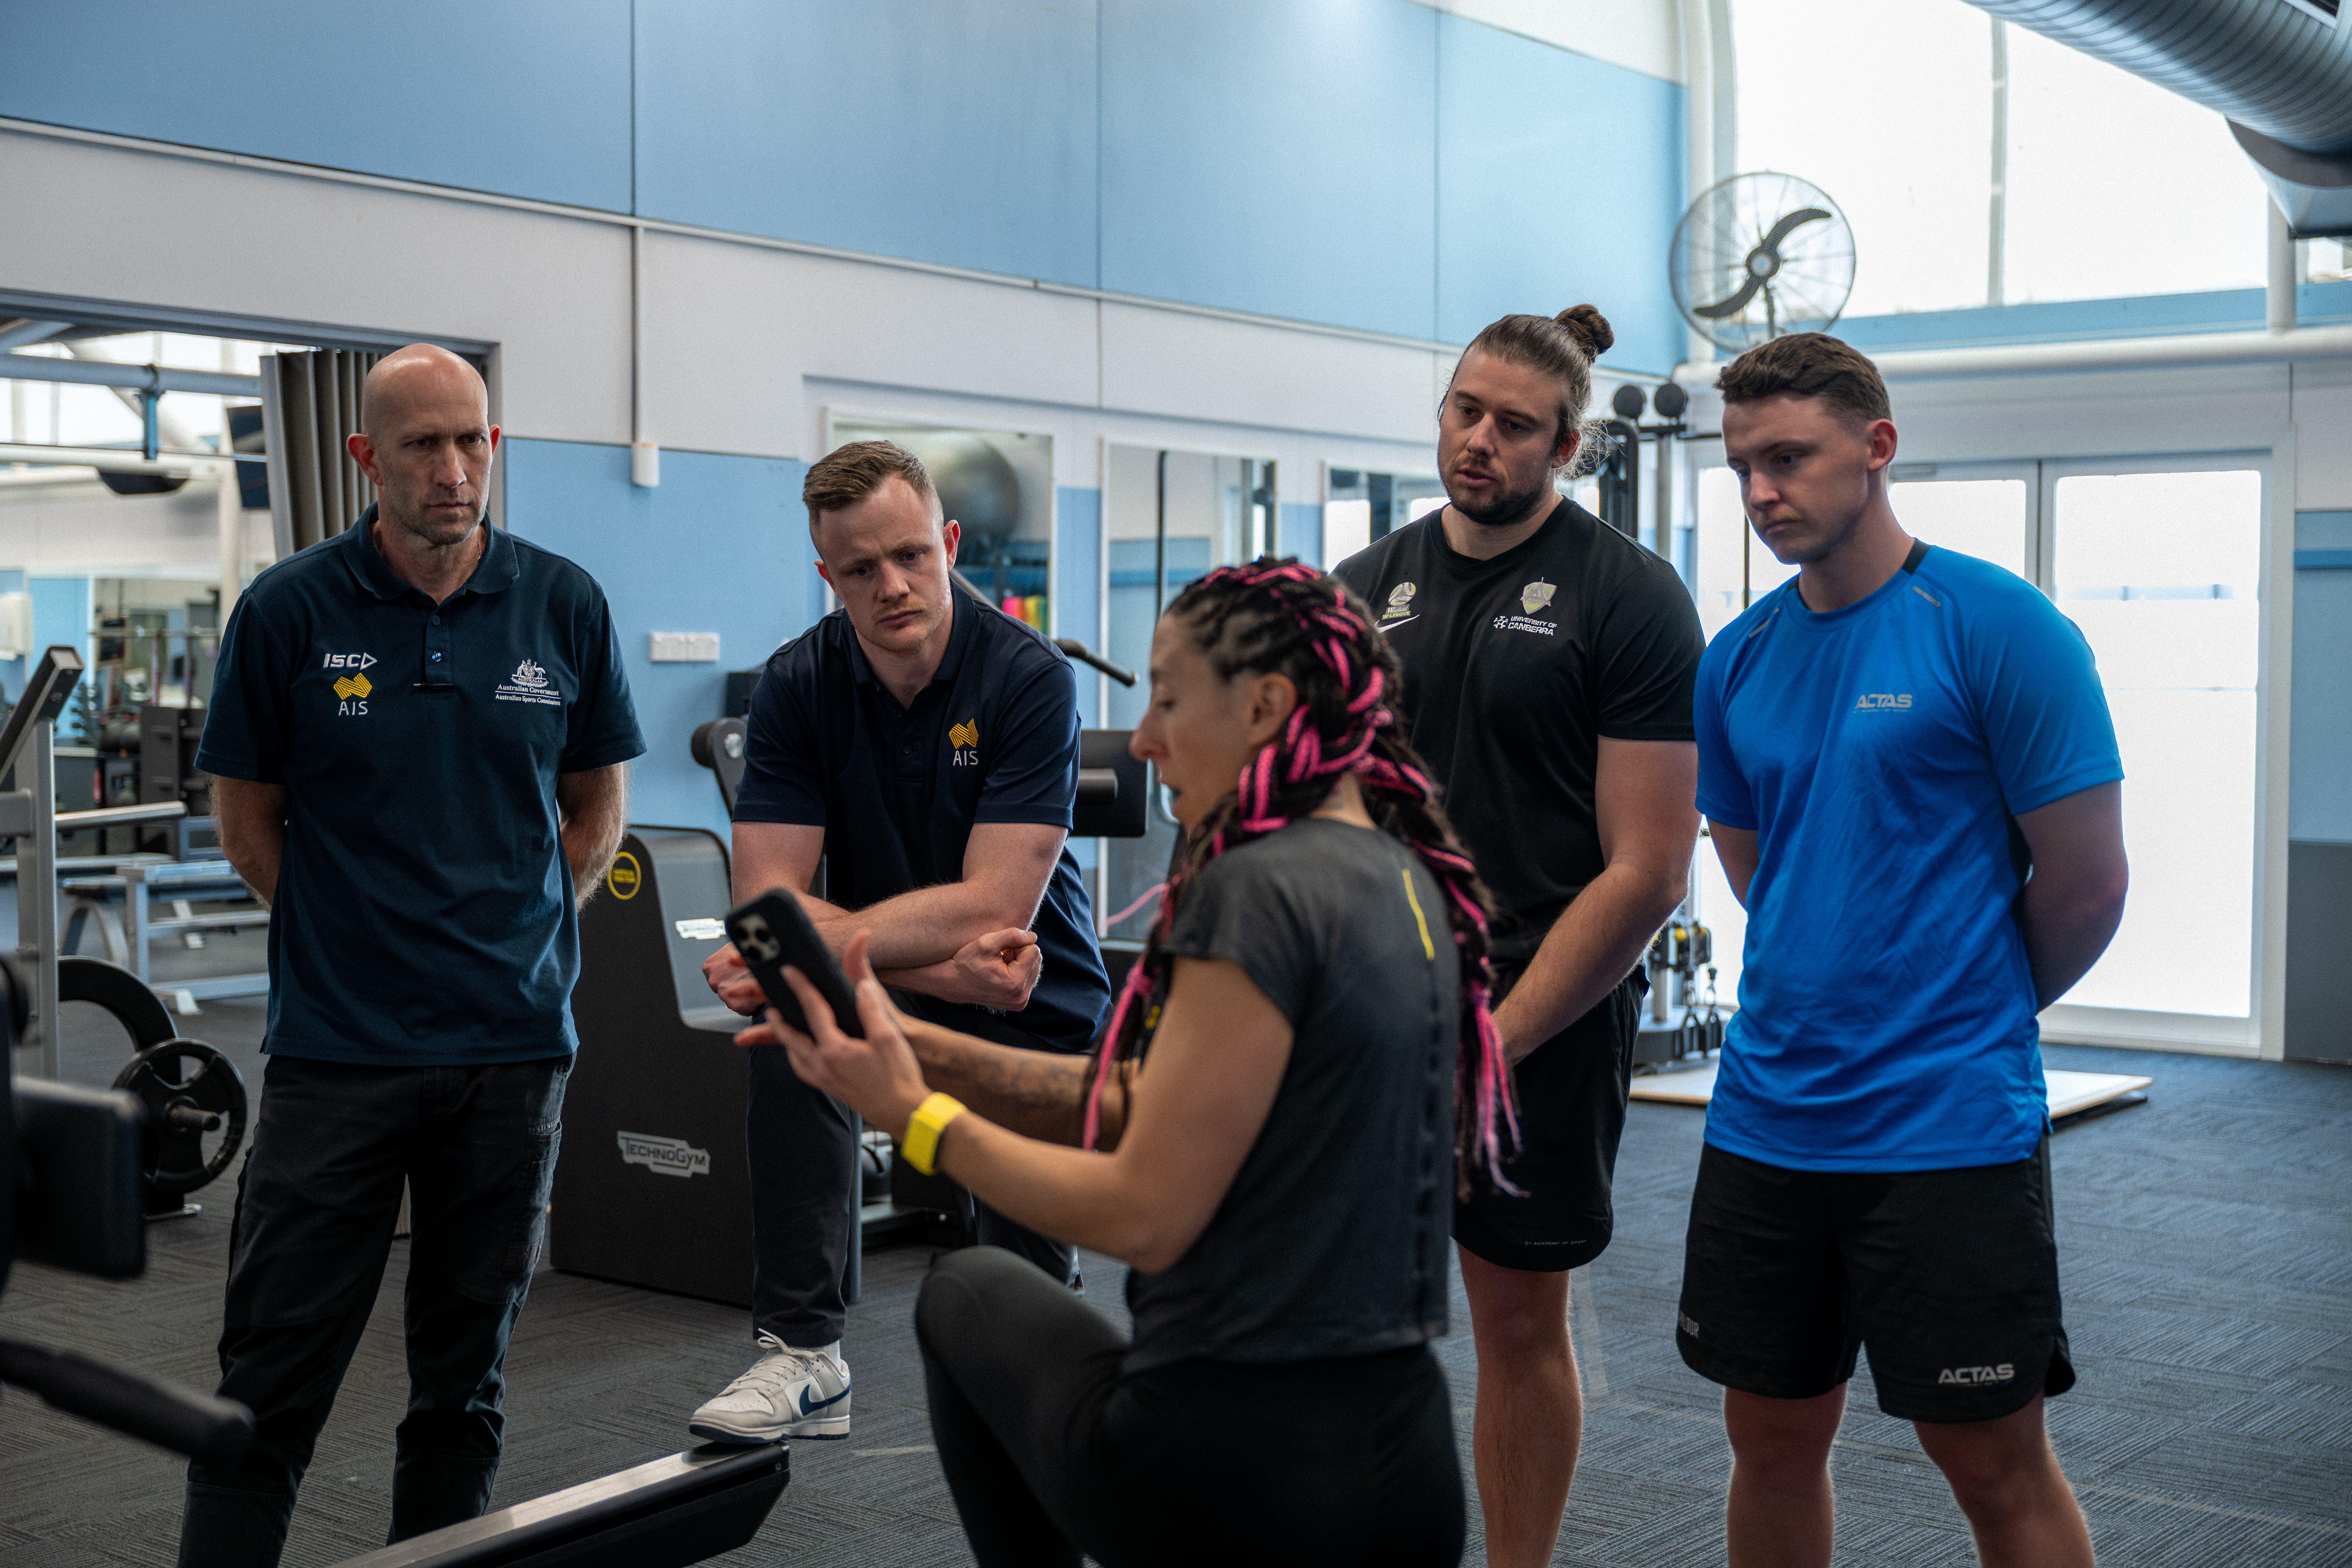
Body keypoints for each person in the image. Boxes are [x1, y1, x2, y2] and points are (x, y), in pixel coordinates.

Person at [747, 559, 1500, 1567]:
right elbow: (1154, 1099)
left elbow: (1143, 1210)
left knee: (967, 1290)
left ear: (1268, 707)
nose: (1143, 738)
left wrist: (916, 1115)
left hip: (1226, 1472)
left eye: (1169, 699)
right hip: (1404, 1468)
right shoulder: (1405, 882)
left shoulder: (1255, 889)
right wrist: (911, 1047)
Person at [179, 345, 644, 1566]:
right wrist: (361, 935)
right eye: (425, 445)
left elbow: (599, 802)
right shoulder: (288, 609)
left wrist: (540, 917)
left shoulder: (565, 603)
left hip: (515, 1050)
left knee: (463, 1381)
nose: (454, 469)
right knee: (265, 1384)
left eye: (473, 440)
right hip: (340, 1054)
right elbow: (247, 827)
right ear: (364, 456)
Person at [1681, 333, 2127, 1568]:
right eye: (1741, 466)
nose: (1763, 491)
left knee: (1989, 1459)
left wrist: (1964, 1002)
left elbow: (2087, 883)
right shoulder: (1736, 659)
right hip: (1765, 1118)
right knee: (1765, 1435)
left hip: (1946, 1126)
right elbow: (1755, 869)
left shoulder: (1996, 626)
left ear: (1876, 448)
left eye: (1789, 457)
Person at [1330, 304, 1704, 1565]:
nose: (1478, 440)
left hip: (1533, 1019)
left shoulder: (1631, 597)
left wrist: (1489, 1040)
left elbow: (1648, 869)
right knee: (1337, 1318)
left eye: (1513, 424)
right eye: (1463, 410)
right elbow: (1318, 811)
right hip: (1366, 1016)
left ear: (1571, 443)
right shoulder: (1359, 588)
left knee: (1515, 1325)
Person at [690, 440, 1110, 1444]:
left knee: (1024, 1339)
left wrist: (809, 939)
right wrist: (897, 956)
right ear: (825, 571)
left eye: (913, 556)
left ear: (950, 540)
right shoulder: (796, 686)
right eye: (862, 568)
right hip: (926, 982)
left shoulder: (1029, 678)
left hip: (1028, 994)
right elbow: (766, 897)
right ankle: (803, 1350)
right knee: (791, 1021)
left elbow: (992, 910)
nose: (893, 586)